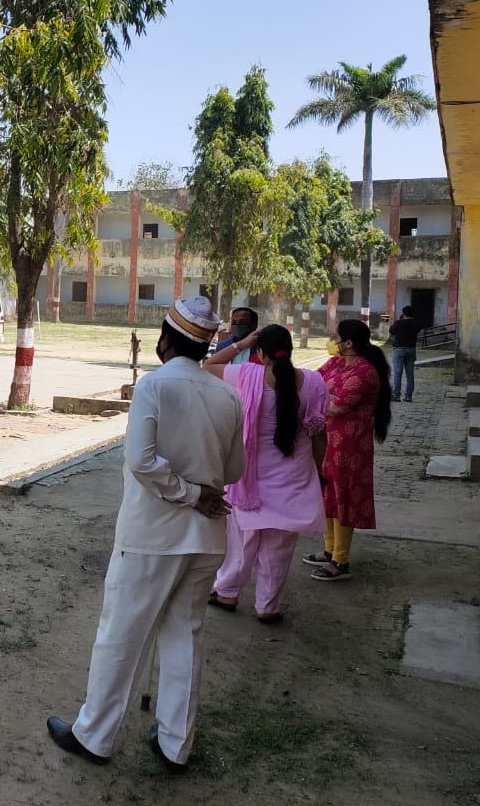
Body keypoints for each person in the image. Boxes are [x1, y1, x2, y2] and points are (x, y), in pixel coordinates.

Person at [46, 296, 243, 775]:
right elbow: (234, 469)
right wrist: (201, 493)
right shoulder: (227, 395)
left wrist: (186, 492)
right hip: (205, 539)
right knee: (184, 637)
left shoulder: (154, 386)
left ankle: (94, 735)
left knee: (122, 634)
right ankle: (176, 743)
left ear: (164, 340)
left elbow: (140, 461)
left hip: (152, 536)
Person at [202, 324, 328, 622]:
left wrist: (240, 343)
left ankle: (227, 594)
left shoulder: (248, 374)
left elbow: (209, 365)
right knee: (279, 549)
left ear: (260, 352)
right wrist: (321, 473)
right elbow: (319, 435)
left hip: (250, 479)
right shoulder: (313, 382)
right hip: (293, 479)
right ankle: (268, 608)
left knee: (242, 541)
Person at [304, 319, 391, 581]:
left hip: (350, 446)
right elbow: (313, 382)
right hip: (327, 441)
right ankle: (330, 550)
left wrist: (318, 396)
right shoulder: (337, 364)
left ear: (349, 343)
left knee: (344, 498)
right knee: (327, 493)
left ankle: (341, 561)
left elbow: (338, 406)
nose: (334, 342)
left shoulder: (365, 372)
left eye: (336, 338)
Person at [388, 305, 423, 403]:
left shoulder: (399, 323)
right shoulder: (416, 324)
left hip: (399, 350)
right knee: (410, 374)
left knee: (398, 373)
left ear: (403, 314)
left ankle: (396, 395)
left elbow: (391, 331)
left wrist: (399, 320)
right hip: (411, 350)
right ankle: (408, 396)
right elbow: (417, 327)